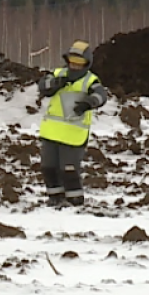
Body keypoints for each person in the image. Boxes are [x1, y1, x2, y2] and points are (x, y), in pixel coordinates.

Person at [37, 39, 108, 207]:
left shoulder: (91, 81)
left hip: (73, 135)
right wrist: (55, 84)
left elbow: (101, 96)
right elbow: (42, 85)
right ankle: (55, 199)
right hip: (51, 132)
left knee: (68, 171)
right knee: (48, 168)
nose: (75, 66)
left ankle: (75, 201)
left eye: (79, 63)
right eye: (72, 62)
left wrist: (88, 103)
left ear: (87, 63)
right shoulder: (58, 74)